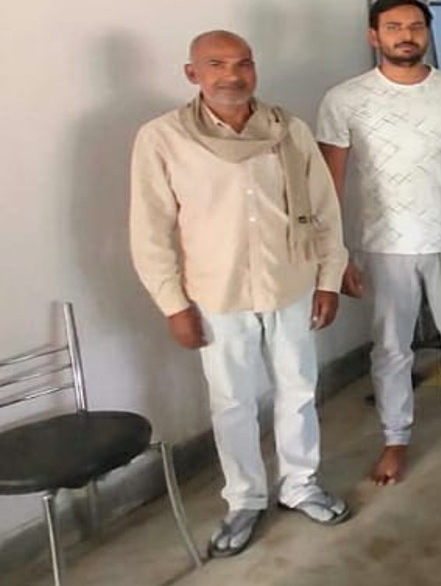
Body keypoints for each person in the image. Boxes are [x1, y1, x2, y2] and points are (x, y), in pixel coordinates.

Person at [130, 30, 350, 558]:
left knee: (299, 389)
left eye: (243, 63)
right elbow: (149, 229)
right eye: (217, 64)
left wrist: (328, 280)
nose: (232, 75)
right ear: (193, 74)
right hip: (216, 291)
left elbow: (324, 209)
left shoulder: (287, 130)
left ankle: (300, 485)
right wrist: (173, 304)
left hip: (290, 281)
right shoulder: (163, 138)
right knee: (232, 400)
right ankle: (245, 499)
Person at [317, 0, 441, 486]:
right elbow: (327, 183)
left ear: (427, 32)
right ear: (374, 35)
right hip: (383, 245)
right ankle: (395, 437)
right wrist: (335, 255)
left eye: (416, 27)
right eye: (394, 27)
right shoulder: (344, 99)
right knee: (390, 348)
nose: (406, 36)